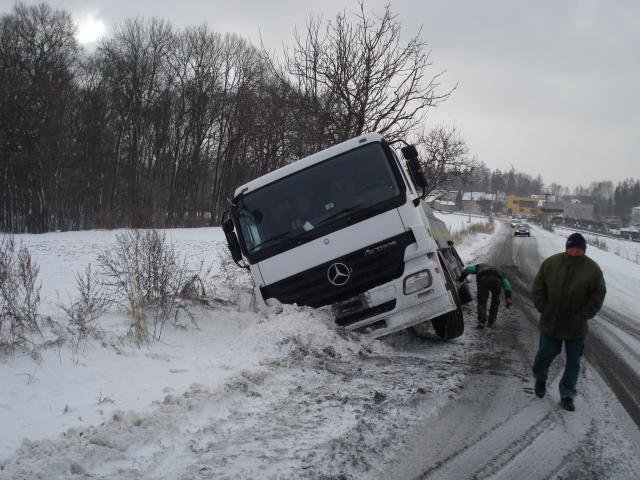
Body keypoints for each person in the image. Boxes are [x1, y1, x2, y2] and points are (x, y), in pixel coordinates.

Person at [531, 232, 606, 412]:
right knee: (544, 356)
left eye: (579, 249)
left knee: (573, 363)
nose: (575, 251)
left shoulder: (592, 269)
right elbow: (538, 286)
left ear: (584, 250)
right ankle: (540, 379)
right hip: (551, 322)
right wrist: (543, 307)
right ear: (567, 248)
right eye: (572, 247)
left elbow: (598, 294)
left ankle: (567, 395)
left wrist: (584, 314)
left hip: (576, 326)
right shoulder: (551, 263)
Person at [458, 263, 512, 329]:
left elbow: (468, 269)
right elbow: (507, 285)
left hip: (483, 279)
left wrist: (460, 279)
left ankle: (482, 322)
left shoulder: (479, 266)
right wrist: (508, 297)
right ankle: (491, 321)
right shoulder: (500, 271)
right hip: (496, 281)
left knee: (482, 301)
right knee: (495, 301)